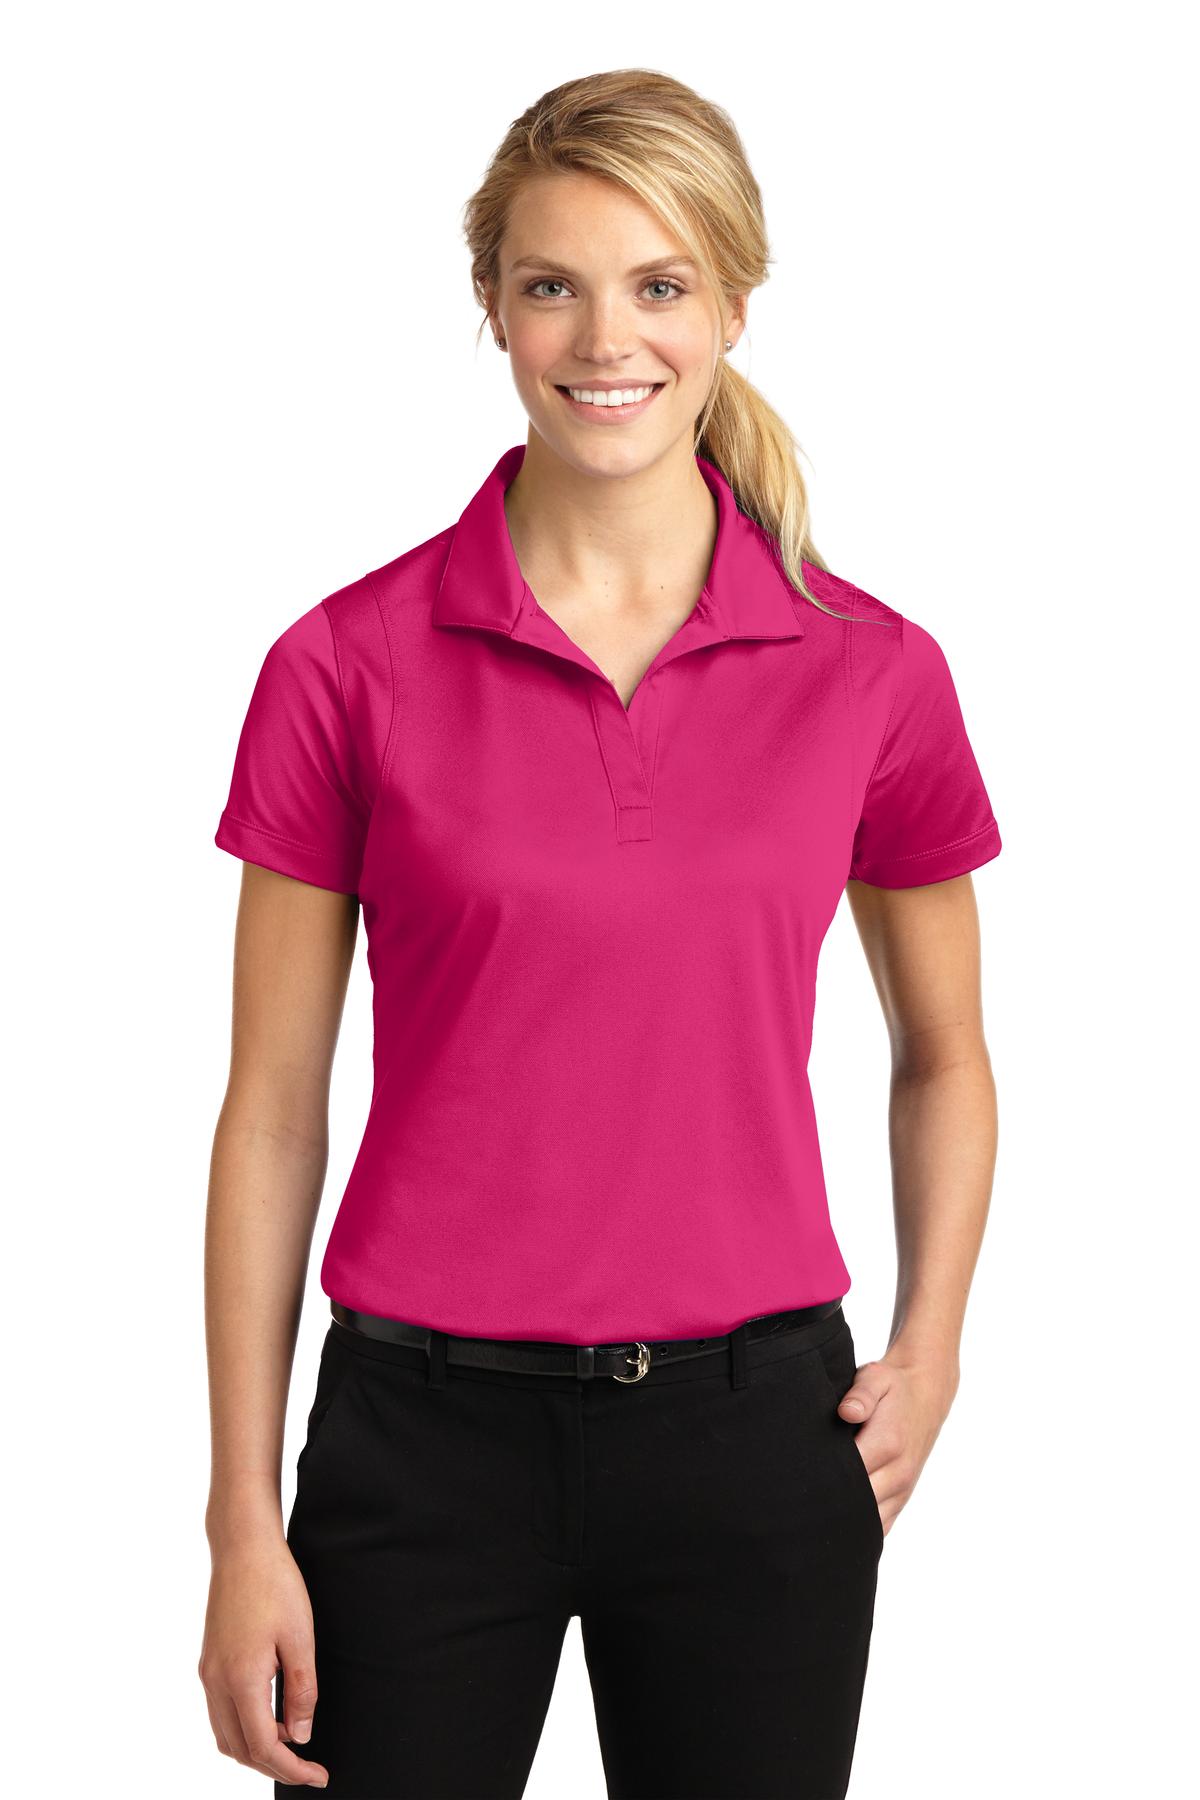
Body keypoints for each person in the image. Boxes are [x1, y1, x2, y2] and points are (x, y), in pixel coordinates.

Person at [199, 67, 1002, 1800]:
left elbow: (946, 1055)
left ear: (732, 305)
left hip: (758, 1445)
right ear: (491, 305)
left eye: (658, 285)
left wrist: (931, 1348)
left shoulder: (873, 673)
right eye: (553, 284)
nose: (604, 339)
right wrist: (241, 1519)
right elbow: (270, 1110)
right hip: (417, 1449)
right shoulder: (344, 666)